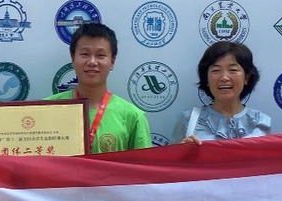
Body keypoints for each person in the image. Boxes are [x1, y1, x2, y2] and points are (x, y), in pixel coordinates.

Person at [46, 22, 152, 153]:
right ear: (73, 59)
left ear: (112, 62)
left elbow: (144, 164)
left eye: (100, 55)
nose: (92, 62)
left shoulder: (133, 116)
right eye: (85, 54)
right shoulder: (47, 109)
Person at [173, 41, 270, 144]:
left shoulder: (261, 121)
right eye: (216, 70)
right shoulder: (188, 119)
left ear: (246, 77)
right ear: (206, 79)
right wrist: (183, 150)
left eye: (233, 70)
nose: (224, 77)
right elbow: (171, 154)